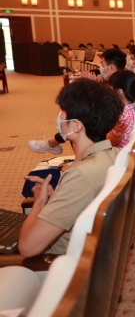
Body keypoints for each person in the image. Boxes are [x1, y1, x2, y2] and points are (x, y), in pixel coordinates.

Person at [18, 79, 122, 257]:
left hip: (57, 258)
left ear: (76, 126)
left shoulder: (80, 174)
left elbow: (27, 247)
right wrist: (58, 195)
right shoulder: (116, 154)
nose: (60, 117)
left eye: (63, 112)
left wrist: (40, 202)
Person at [28, 49, 126, 154]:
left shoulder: (120, 83)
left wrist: (92, 85)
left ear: (111, 67)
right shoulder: (117, 79)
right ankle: (53, 144)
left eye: (102, 63)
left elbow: (108, 104)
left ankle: (52, 144)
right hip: (105, 119)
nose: (100, 67)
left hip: (106, 124)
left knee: (77, 117)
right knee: (76, 115)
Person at [106, 71, 135, 149]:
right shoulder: (133, 106)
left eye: (110, 89)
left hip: (116, 153)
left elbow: (108, 142)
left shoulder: (128, 116)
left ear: (120, 92)